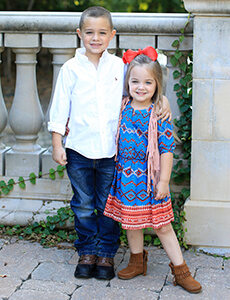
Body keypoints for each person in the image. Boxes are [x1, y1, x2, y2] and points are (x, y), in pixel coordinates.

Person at [48, 7, 171, 281]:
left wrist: (163, 100)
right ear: (80, 34)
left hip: (111, 154)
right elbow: (59, 109)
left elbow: (143, 85)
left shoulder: (119, 66)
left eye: (102, 32)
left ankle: (105, 253)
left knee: (107, 205)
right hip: (78, 150)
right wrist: (58, 144)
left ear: (112, 35)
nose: (96, 38)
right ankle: (87, 252)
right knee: (82, 204)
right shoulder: (70, 69)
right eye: (89, 32)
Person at [104, 47, 202, 294]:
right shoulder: (122, 106)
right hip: (125, 177)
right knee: (131, 223)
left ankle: (181, 270)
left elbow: (166, 149)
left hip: (152, 178)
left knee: (162, 225)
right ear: (127, 82)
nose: (141, 87)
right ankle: (137, 260)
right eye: (135, 81)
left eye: (148, 82)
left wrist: (164, 181)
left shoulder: (158, 113)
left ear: (158, 84)